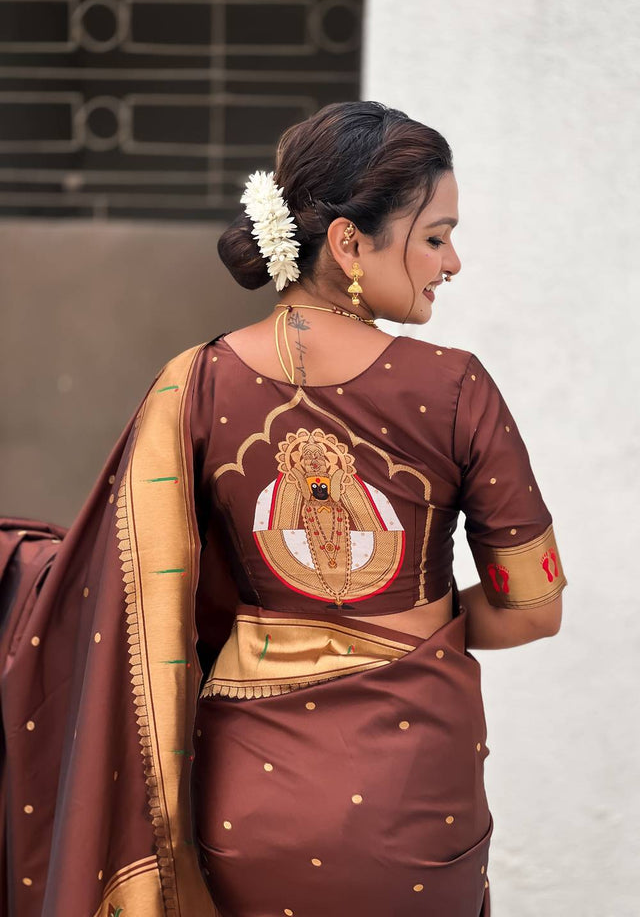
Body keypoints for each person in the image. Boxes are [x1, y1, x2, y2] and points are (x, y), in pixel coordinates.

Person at [0, 101, 567, 917]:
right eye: (436, 236)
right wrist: (408, 627)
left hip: (244, 793)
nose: (453, 263)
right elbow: (533, 609)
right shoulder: (455, 387)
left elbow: (149, 587)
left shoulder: (192, 383)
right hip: (412, 792)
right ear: (348, 243)